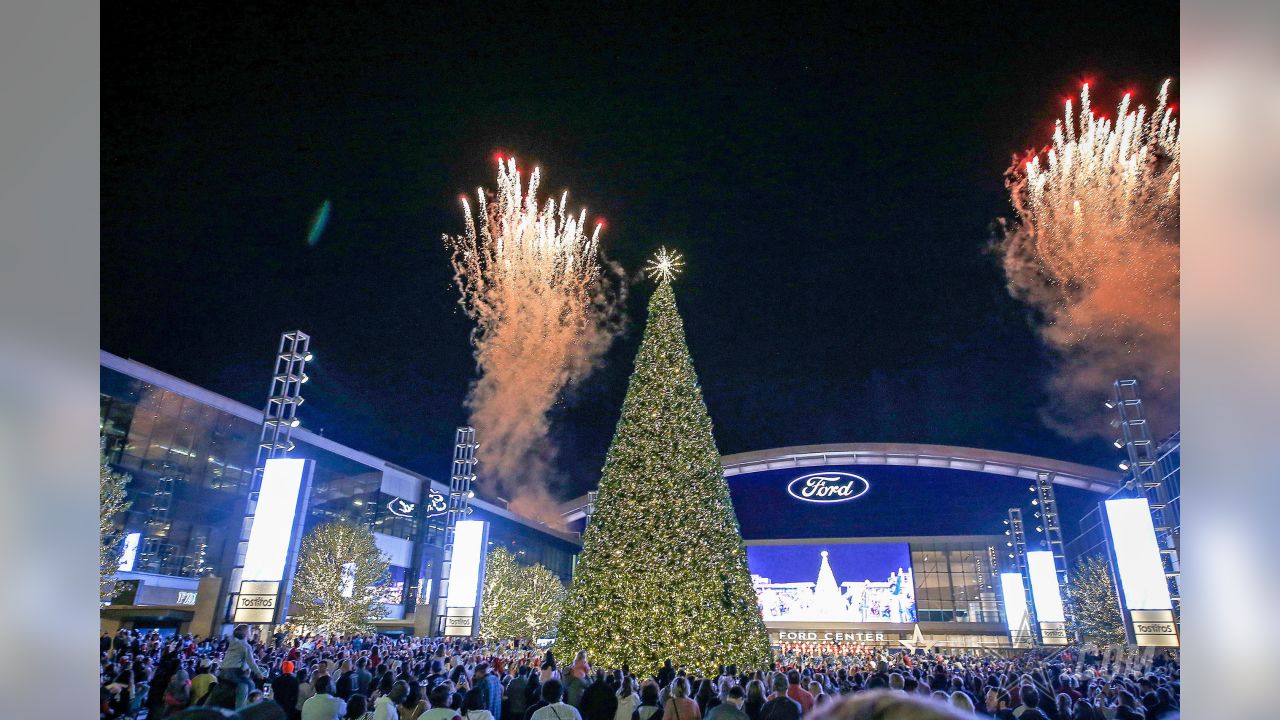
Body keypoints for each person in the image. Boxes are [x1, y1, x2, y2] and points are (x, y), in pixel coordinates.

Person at [221, 624, 268, 709]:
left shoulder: (233, 643)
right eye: (249, 631)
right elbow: (251, 662)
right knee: (249, 684)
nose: (251, 633)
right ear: (245, 633)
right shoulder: (245, 646)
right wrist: (259, 673)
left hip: (223, 671)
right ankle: (242, 708)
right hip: (233, 671)